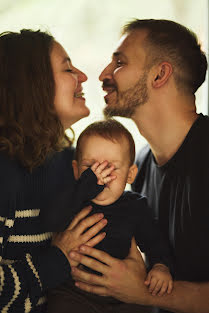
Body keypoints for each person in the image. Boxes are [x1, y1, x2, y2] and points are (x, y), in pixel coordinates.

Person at [68, 19, 209, 313]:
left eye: (119, 62)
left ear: (159, 74)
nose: (104, 74)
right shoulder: (140, 164)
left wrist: (146, 295)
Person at [0, 29, 109, 313]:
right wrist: (57, 260)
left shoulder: (71, 163)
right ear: (32, 84)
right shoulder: (4, 175)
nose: (83, 77)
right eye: (68, 68)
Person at [46, 119, 173, 313]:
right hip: (74, 293)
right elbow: (51, 221)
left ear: (130, 175)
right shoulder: (72, 200)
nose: (100, 177)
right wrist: (82, 188)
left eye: (111, 168)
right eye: (90, 167)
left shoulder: (135, 207)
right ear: (75, 170)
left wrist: (160, 266)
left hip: (123, 297)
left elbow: (154, 240)